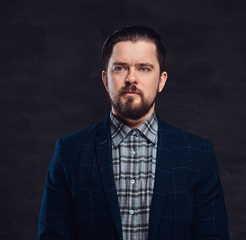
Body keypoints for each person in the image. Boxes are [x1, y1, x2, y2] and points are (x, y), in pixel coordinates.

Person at [38, 26, 229, 240]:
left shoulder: (198, 155)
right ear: (105, 79)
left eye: (144, 68)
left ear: (161, 81)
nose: (131, 78)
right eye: (120, 68)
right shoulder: (69, 152)